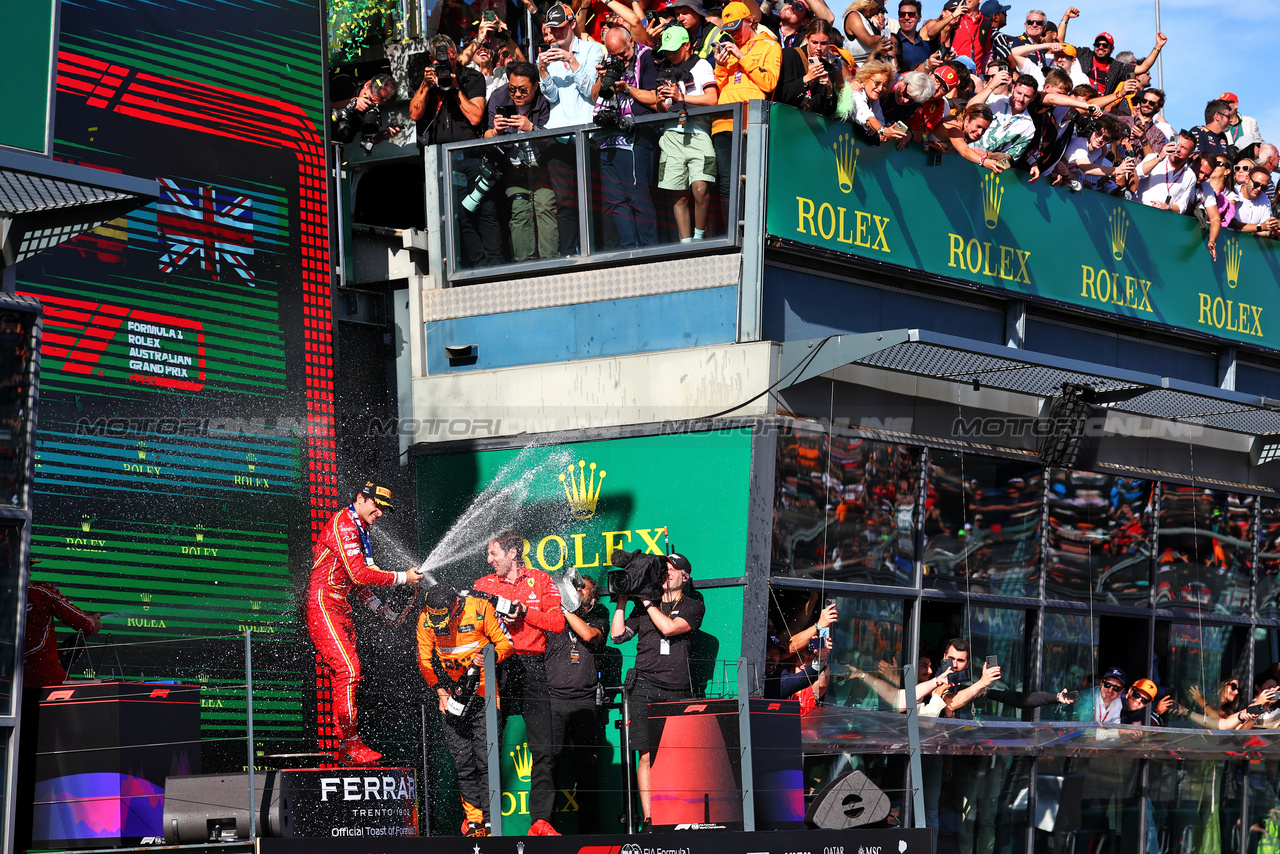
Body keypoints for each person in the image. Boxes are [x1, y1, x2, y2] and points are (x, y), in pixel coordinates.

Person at [307, 482, 425, 765]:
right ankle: (350, 745)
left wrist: (380, 609)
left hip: (338, 605)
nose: (380, 513)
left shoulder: (360, 527)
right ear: (360, 499)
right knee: (349, 671)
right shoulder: (345, 523)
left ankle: (345, 748)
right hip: (323, 604)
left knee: (351, 673)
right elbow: (360, 574)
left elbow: (353, 581)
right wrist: (403, 578)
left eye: (384, 509)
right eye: (377, 505)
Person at [472, 529, 565, 837]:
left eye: (493, 554)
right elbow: (471, 626)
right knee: (486, 743)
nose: (489, 560)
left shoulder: (540, 580)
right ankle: (483, 819)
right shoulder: (482, 585)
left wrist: (524, 612)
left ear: (512, 554)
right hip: (495, 664)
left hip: (532, 664)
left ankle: (540, 820)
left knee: (544, 747)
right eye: (488, 554)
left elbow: (557, 623)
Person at [610, 552, 704, 831]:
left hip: (677, 690)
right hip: (644, 687)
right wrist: (623, 600)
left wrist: (648, 603)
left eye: (672, 569)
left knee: (678, 754)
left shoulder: (693, 606)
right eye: (663, 569)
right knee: (646, 755)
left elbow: (669, 627)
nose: (667, 573)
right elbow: (617, 636)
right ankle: (650, 819)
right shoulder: (642, 608)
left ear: (685, 577)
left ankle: (679, 816)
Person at [417, 584, 514, 837]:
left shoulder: (479, 608)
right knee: (463, 762)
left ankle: (492, 822)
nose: (436, 622)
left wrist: (489, 656)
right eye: (432, 616)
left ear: (455, 606)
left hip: (484, 694)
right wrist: (440, 691)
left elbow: (507, 643)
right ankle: (474, 822)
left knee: (486, 759)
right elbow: (424, 660)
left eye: (441, 617)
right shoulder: (426, 619)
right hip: (450, 696)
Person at [411, 34, 497, 268]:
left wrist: (455, 88)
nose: (446, 66)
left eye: (450, 60)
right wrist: (426, 85)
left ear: (455, 55)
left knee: (486, 212)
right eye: (441, 62)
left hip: (470, 157)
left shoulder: (472, 77)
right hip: (443, 162)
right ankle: (476, 266)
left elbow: (476, 117)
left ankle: (496, 265)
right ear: (431, 59)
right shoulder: (426, 82)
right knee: (459, 216)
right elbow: (414, 114)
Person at [540, 2, 606, 255]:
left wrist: (571, 60)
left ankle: (597, 251)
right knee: (565, 203)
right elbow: (551, 96)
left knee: (591, 199)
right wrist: (543, 70)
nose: (555, 34)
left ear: (572, 24)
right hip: (559, 135)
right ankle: (568, 254)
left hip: (586, 133)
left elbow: (591, 92)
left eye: (560, 28)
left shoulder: (592, 49)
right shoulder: (548, 54)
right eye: (552, 30)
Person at [544, 575, 609, 833]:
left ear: (592, 597)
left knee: (586, 769)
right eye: (575, 586)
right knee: (549, 765)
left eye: (583, 588)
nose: (578, 589)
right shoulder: (551, 614)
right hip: (553, 699)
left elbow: (588, 634)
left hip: (584, 701)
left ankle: (590, 834)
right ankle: (544, 827)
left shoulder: (598, 614)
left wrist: (564, 607)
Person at [712, 2, 780, 232]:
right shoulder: (728, 50)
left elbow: (768, 82)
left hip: (749, 122)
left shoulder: (769, 46)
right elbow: (719, 90)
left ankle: (748, 231)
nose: (732, 34)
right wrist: (720, 67)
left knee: (747, 179)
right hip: (723, 120)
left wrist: (742, 57)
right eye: (728, 30)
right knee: (726, 182)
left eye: (736, 28)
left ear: (750, 21)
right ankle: (731, 233)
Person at [592, 26, 660, 249]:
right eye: (615, 55)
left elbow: (655, 99)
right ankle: (629, 248)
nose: (620, 59)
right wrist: (604, 78)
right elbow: (595, 97)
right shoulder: (610, 60)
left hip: (636, 138)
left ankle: (650, 250)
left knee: (638, 198)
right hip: (608, 139)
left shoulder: (647, 57)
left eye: (623, 54)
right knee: (616, 201)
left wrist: (627, 88)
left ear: (631, 40)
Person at [485, 62, 557, 261]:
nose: (516, 94)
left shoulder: (545, 99)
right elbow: (486, 135)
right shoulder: (498, 97)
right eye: (512, 89)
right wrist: (496, 131)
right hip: (512, 170)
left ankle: (552, 263)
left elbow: (552, 138)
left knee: (545, 207)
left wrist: (532, 128)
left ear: (535, 85)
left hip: (543, 167)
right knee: (519, 212)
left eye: (523, 90)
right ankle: (524, 265)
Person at [654, 25, 719, 243]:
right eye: (667, 50)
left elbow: (712, 99)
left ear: (688, 45)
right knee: (677, 194)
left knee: (700, 189)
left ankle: (700, 237)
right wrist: (661, 102)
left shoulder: (702, 66)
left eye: (674, 49)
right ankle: (685, 242)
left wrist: (681, 96)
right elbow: (661, 109)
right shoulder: (664, 70)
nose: (670, 55)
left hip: (699, 132)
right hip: (671, 133)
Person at [23, 577, 101, 690]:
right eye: (27, 566)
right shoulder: (42, 592)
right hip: (47, 677)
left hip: (9, 680)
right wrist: (92, 623)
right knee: (86, 701)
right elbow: (83, 623)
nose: (29, 573)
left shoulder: (7, 594)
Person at [776, 19, 847, 116]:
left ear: (829, 41)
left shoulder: (828, 68)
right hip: (785, 118)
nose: (818, 48)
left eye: (823, 43)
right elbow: (782, 95)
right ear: (807, 39)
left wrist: (829, 89)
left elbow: (827, 112)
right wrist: (807, 78)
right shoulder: (790, 55)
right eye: (814, 42)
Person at [330, 73, 402, 151]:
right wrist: (351, 102)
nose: (369, 104)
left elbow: (367, 141)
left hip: (333, 148)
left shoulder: (372, 109)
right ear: (367, 84)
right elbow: (319, 103)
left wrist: (383, 135)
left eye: (376, 104)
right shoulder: (345, 83)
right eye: (370, 99)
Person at [1135, 131, 1198, 213]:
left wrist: (1167, 206)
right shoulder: (1153, 158)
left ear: (1190, 154)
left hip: (1162, 219)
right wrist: (1160, 158)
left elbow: (1182, 206)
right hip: (1138, 212)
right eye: (1177, 144)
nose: (1178, 149)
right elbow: (1137, 174)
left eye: (1183, 148)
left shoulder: (1190, 176)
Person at [1229, 166, 1279, 237]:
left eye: (1264, 188)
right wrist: (1260, 227)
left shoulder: (1264, 199)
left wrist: (1271, 231)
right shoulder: (1233, 193)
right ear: (1247, 179)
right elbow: (1232, 223)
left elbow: (1262, 230)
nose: (1259, 189)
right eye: (1256, 184)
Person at [893, 0, 933, 72]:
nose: (906, 17)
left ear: (919, 17)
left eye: (911, 14)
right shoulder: (892, 43)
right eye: (902, 14)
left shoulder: (925, 46)